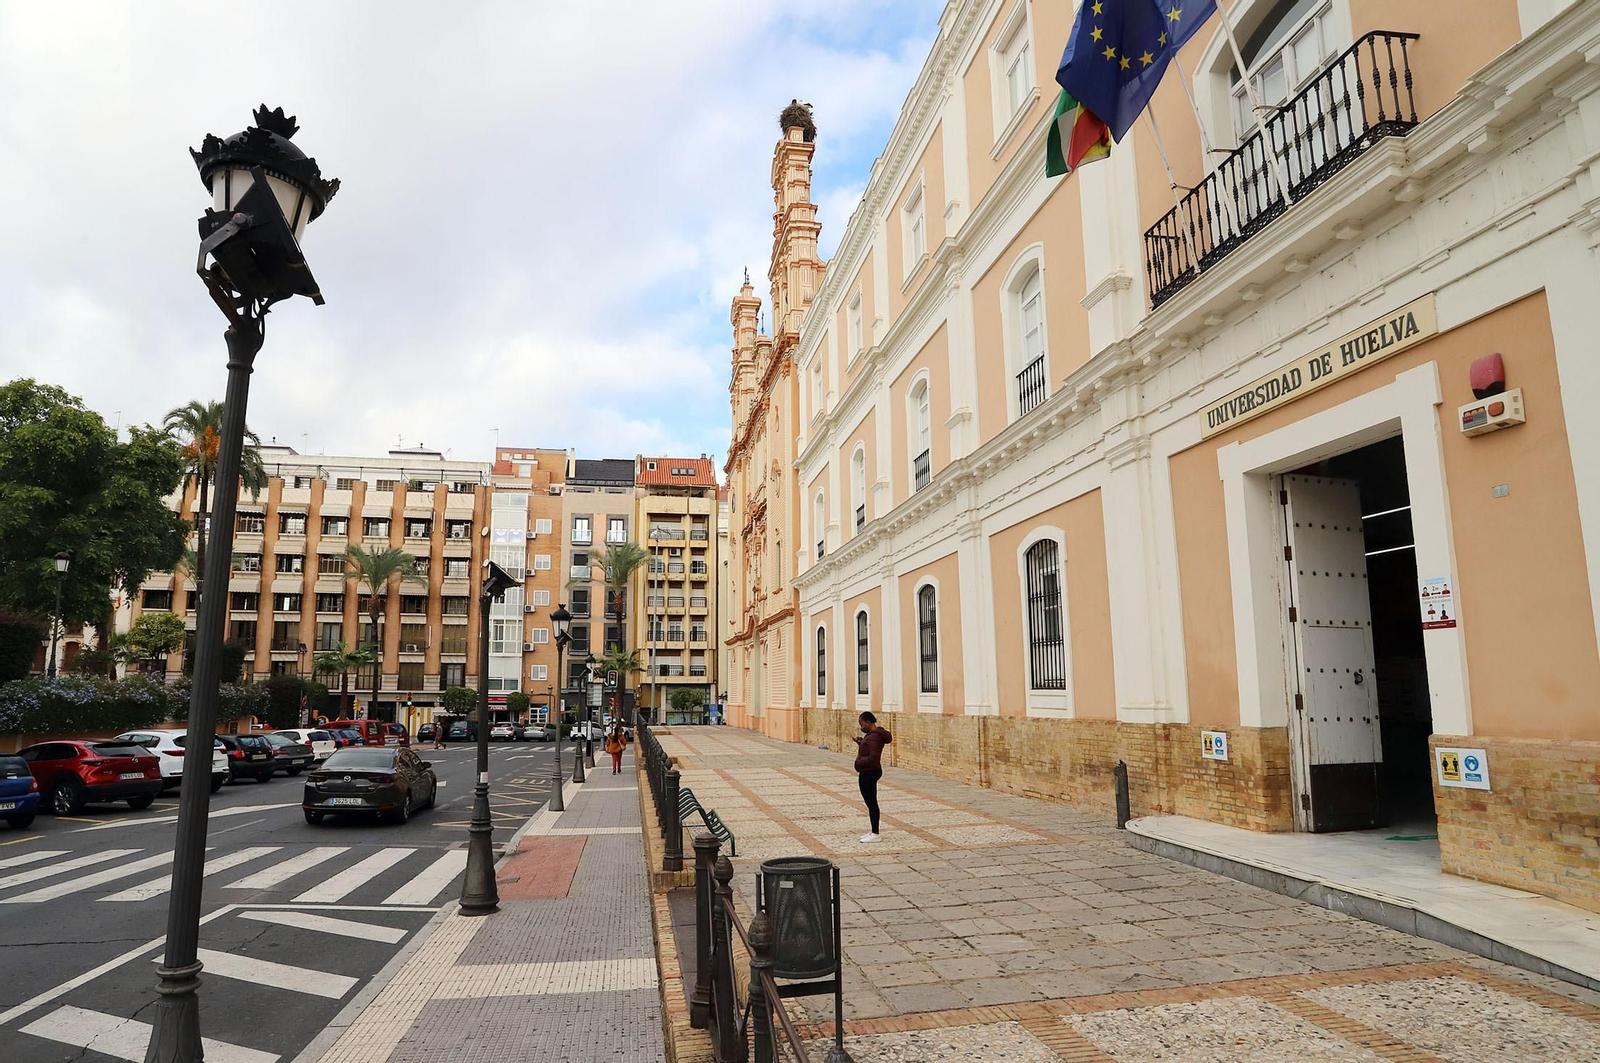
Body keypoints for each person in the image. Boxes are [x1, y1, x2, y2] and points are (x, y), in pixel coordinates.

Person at [852, 711, 891, 843]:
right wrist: (861, 743)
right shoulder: (872, 736)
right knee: (870, 802)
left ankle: (875, 833)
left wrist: (858, 763)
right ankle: (873, 830)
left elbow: (874, 757)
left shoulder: (874, 737)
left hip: (869, 771)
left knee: (872, 802)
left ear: (868, 722)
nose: (861, 727)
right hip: (869, 770)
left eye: (862, 724)